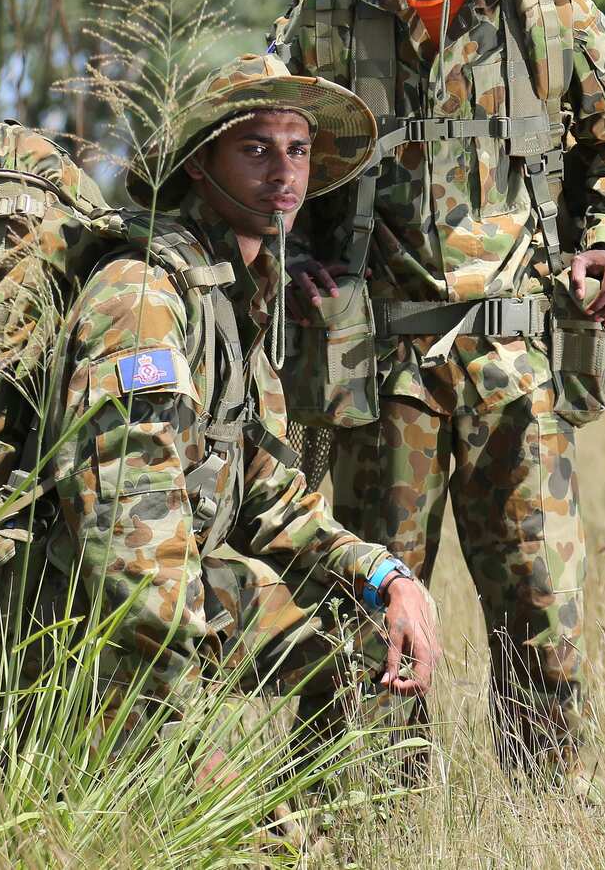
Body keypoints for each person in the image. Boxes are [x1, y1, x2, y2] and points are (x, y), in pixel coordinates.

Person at [272, 0, 605, 790]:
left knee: (543, 612)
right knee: (368, 614)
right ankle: (368, 831)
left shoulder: (548, 2)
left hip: (518, 366)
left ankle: (546, 826)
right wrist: (283, 256)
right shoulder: (332, 4)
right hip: (378, 365)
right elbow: (257, 134)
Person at [42, 52, 442, 767]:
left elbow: (270, 496)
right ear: (199, 163)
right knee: (241, 841)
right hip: (76, 616)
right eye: (255, 149)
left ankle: (348, 833)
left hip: (162, 602)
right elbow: (134, 552)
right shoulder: (145, 297)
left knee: (362, 634)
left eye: (298, 149)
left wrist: (386, 575)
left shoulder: (236, 297)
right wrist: (187, 748)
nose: (284, 174)